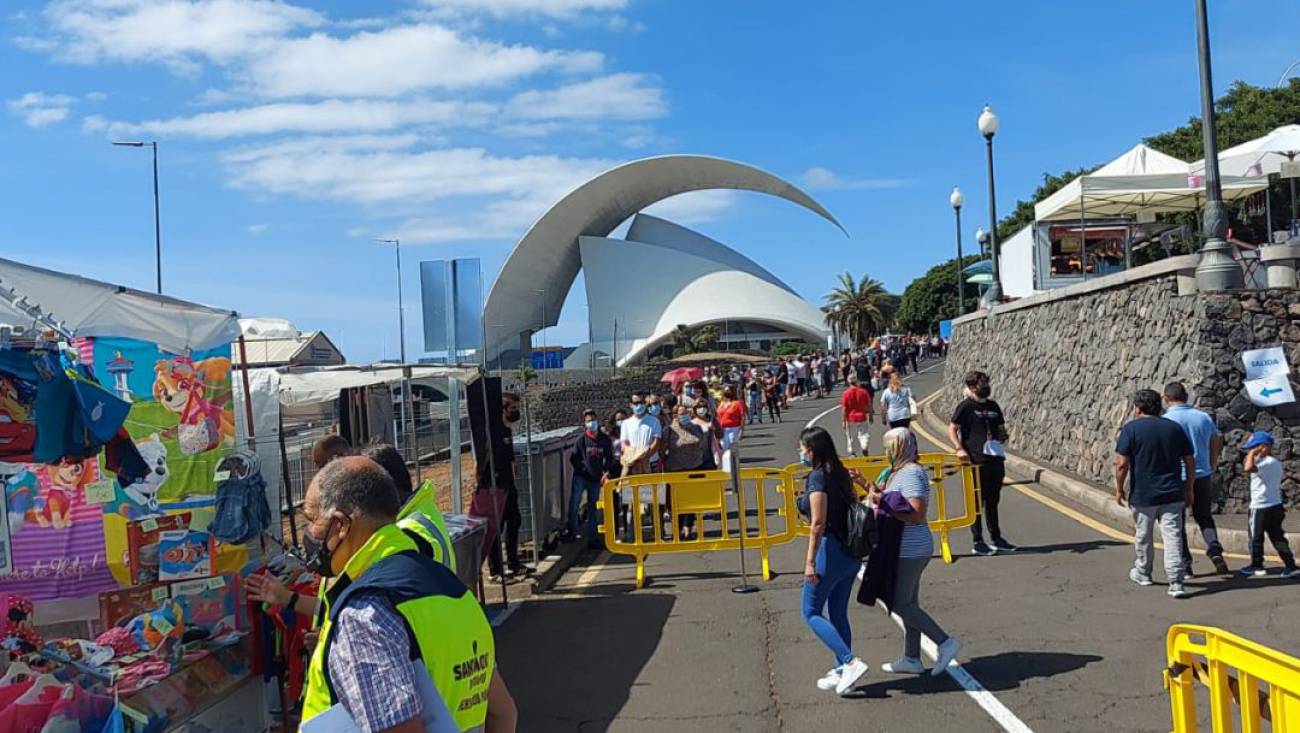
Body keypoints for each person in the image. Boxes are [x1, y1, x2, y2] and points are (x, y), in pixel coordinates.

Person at [298, 456, 518, 733]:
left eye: (311, 519)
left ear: (340, 524)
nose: (308, 533)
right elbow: (503, 712)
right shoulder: (454, 590)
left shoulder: (365, 615)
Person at [866, 428, 962, 677]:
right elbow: (888, 498)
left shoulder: (911, 473)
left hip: (910, 548)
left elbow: (915, 514)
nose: (886, 451)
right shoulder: (898, 471)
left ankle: (944, 642)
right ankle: (911, 658)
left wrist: (881, 502)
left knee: (900, 603)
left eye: (889, 447)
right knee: (910, 602)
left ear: (899, 448)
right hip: (905, 546)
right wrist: (866, 486)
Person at [798, 427, 870, 696]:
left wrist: (809, 562)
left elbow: (817, 522)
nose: (801, 452)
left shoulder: (817, 478)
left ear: (812, 450)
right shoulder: (840, 473)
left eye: (803, 448)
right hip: (849, 552)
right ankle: (842, 670)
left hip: (829, 551)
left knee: (811, 612)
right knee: (838, 611)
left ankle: (849, 661)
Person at [1114, 389, 1194, 599]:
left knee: (1143, 536)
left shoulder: (1131, 429)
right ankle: (1176, 581)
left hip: (1144, 494)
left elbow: (1122, 464)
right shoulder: (1174, 428)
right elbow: (1189, 459)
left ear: (1138, 408)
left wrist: (1120, 488)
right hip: (1173, 492)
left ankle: (1143, 572)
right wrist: (1189, 489)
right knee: (1173, 536)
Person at [1161, 382, 1230, 576]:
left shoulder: (1167, 420)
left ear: (1166, 399)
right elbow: (1216, 440)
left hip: (1178, 476)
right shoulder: (1203, 417)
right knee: (1204, 515)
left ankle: (1186, 563)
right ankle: (1215, 551)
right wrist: (1212, 463)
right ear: (1186, 396)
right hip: (1203, 473)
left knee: (1177, 520)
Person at [948, 370, 1014, 556]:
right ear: (971, 387)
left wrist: (1002, 436)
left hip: (995, 459)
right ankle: (978, 541)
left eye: (986, 382)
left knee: (993, 501)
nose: (985, 386)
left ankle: (997, 538)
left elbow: (1000, 428)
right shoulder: (966, 407)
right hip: (975, 461)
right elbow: (952, 428)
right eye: (981, 383)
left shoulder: (993, 406)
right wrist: (959, 448)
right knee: (976, 502)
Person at [1238, 432, 1300, 578]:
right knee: (1277, 536)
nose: (1250, 451)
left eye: (1254, 447)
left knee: (1255, 537)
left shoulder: (1264, 463)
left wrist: (1253, 453)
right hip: (1275, 505)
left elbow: (1247, 468)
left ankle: (1256, 565)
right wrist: (1255, 452)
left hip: (1260, 506)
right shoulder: (1275, 462)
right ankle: (1290, 565)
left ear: (1264, 447)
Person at [488, 392, 528, 581]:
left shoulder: (507, 431)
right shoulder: (493, 433)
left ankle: (513, 562)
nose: (515, 412)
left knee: (515, 521)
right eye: (512, 408)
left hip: (509, 485)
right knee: (496, 527)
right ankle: (495, 570)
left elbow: (511, 459)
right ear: (503, 409)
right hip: (495, 486)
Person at [563, 410, 613, 548]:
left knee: (592, 507)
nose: (591, 423)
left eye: (593, 420)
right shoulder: (581, 440)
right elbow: (574, 458)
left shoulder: (604, 439)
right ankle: (572, 531)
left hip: (596, 479)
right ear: (584, 424)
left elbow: (609, 458)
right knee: (574, 503)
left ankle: (593, 537)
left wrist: (605, 472)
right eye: (588, 421)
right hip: (581, 477)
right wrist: (583, 470)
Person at [666, 405, 708, 539]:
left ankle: (688, 529)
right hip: (676, 470)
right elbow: (662, 450)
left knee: (691, 501)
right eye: (681, 414)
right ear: (675, 416)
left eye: (686, 413)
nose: (685, 416)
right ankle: (677, 530)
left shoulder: (696, 428)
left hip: (694, 467)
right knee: (676, 503)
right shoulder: (669, 431)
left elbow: (703, 444)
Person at [620, 394, 660, 476]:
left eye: (642, 402)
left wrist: (645, 458)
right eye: (636, 403)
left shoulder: (654, 421)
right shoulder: (626, 423)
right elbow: (624, 444)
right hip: (633, 463)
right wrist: (636, 459)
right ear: (631, 405)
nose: (640, 405)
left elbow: (656, 443)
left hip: (651, 463)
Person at [840, 374, 874, 457]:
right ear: (856, 381)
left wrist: (843, 421)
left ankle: (853, 452)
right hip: (862, 416)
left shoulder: (846, 393)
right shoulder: (863, 392)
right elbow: (869, 404)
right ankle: (864, 446)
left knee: (852, 436)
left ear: (848, 381)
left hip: (850, 417)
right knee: (864, 434)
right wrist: (870, 415)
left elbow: (844, 408)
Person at [715, 385, 746, 458]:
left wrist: (741, 430)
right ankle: (726, 461)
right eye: (725, 390)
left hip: (734, 428)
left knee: (732, 445)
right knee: (723, 446)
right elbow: (718, 415)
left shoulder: (738, 403)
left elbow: (743, 417)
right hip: (722, 429)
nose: (726, 392)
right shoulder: (722, 403)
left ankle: (734, 461)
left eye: (728, 390)